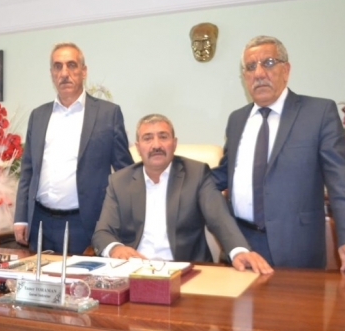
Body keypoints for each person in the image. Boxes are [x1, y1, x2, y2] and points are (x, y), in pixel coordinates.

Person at [212, 35, 345, 276]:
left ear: (286, 70)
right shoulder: (237, 119)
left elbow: (340, 180)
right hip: (242, 248)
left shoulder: (318, 113)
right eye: (250, 67)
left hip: (296, 249)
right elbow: (224, 174)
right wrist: (174, 173)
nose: (259, 73)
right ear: (244, 76)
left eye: (268, 63)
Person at [92, 114, 273, 274]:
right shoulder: (119, 181)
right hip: (135, 272)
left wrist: (239, 251)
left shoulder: (197, 174)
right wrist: (115, 248)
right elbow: (102, 232)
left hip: (185, 272)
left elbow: (219, 219)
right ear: (138, 148)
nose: (156, 145)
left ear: (174, 143)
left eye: (163, 137)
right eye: (148, 138)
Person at [14, 42, 134, 254]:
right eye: (58, 66)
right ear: (52, 74)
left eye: (71, 65)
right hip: (40, 222)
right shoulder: (38, 116)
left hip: (85, 224)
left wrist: (123, 223)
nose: (64, 73)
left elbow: (125, 174)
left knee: (83, 277)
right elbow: (28, 171)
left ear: (83, 71)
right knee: (40, 276)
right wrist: (21, 218)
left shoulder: (108, 114)